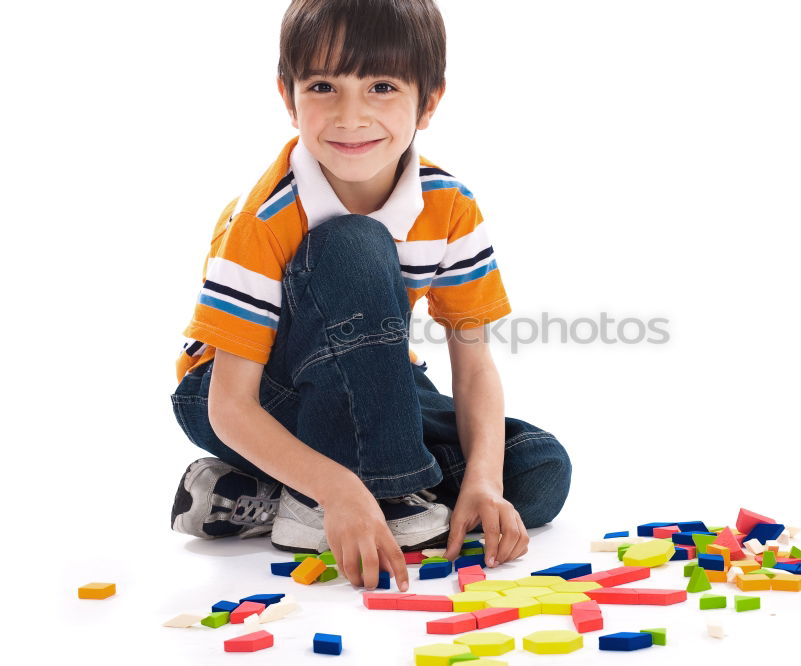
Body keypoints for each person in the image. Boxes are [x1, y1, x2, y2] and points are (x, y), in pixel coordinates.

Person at [168, 0, 571, 592]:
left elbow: (474, 365)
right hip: (244, 395)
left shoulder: (450, 206)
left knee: (536, 471)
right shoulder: (265, 217)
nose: (350, 117)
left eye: (381, 86)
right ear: (289, 96)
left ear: (428, 102)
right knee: (355, 243)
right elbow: (231, 407)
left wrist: (484, 480)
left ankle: (275, 497)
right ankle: (363, 494)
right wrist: (342, 488)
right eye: (324, 86)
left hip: (374, 382)